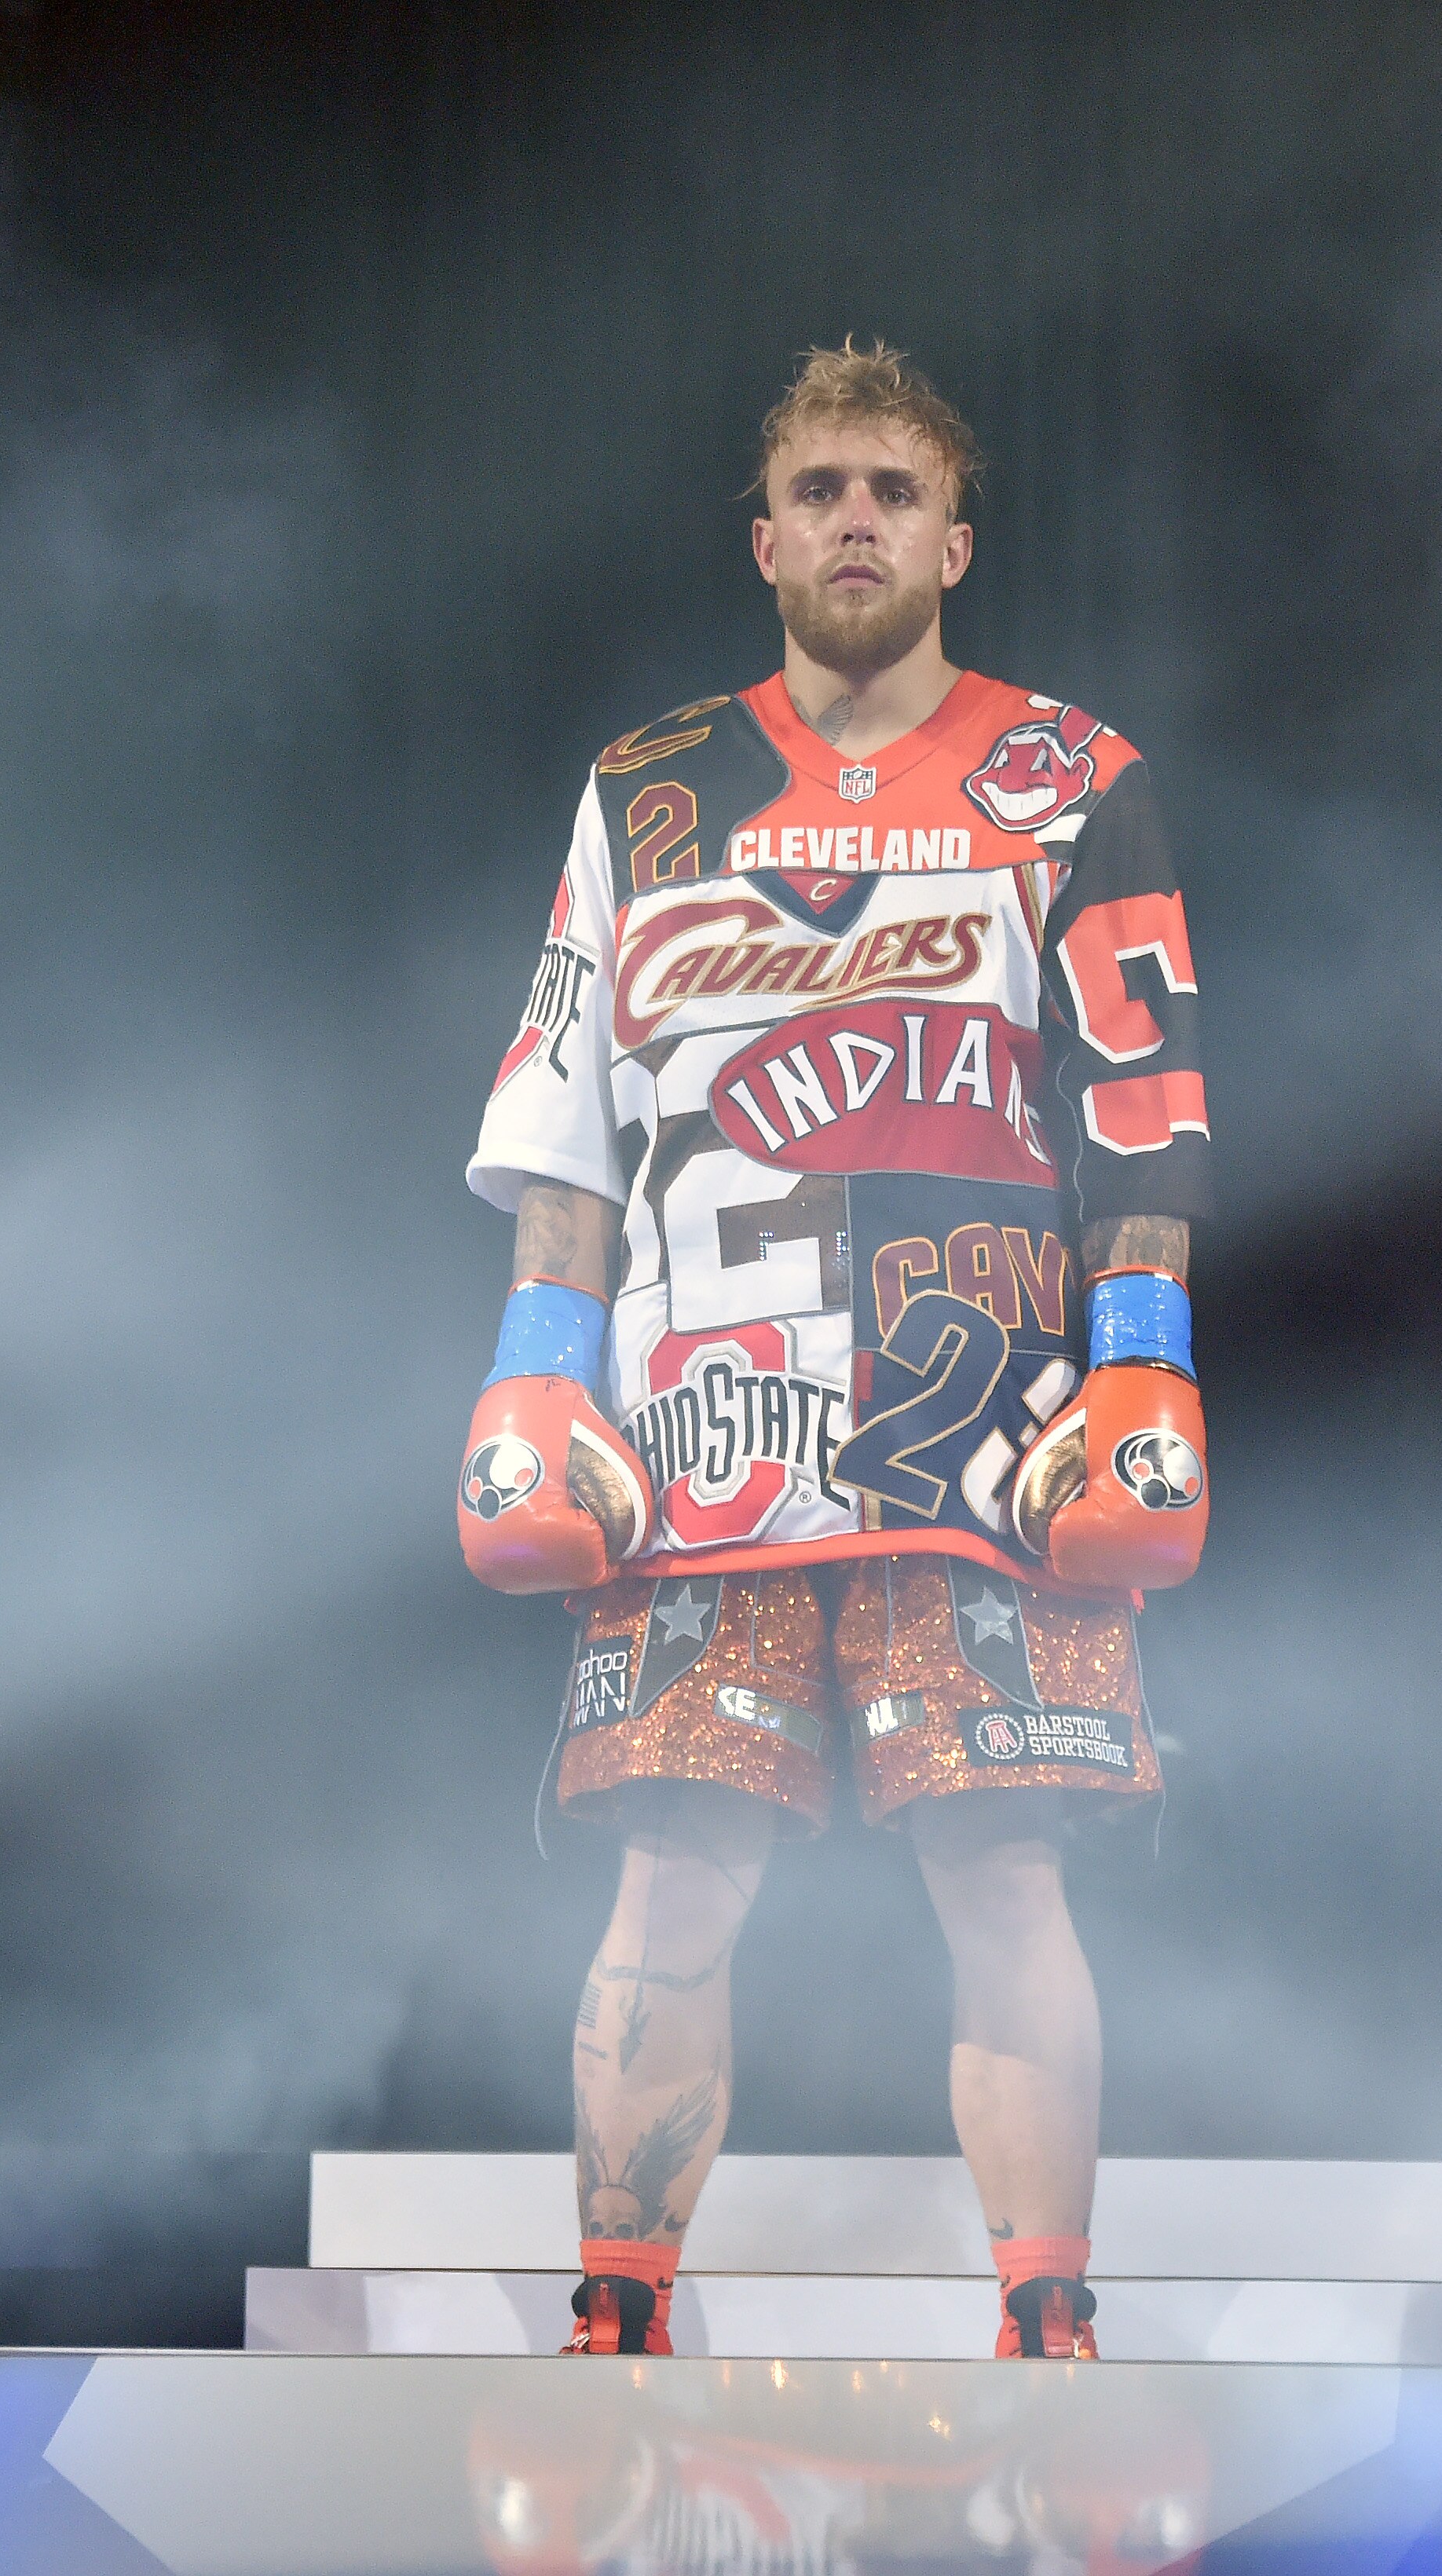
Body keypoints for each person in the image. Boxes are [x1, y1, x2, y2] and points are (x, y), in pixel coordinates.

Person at [458, 341, 1213, 2362]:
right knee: (675, 1867)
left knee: (1006, 1856)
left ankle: (1047, 2316)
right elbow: (567, 1118)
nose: (856, 516)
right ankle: (616, 2310)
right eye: (820, 488)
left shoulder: (1073, 774)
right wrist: (537, 1371)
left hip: (984, 1419)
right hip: (703, 1418)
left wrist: (1146, 1366)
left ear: (954, 536)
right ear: (767, 533)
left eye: (893, 487)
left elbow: (1140, 1102)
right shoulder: (647, 784)